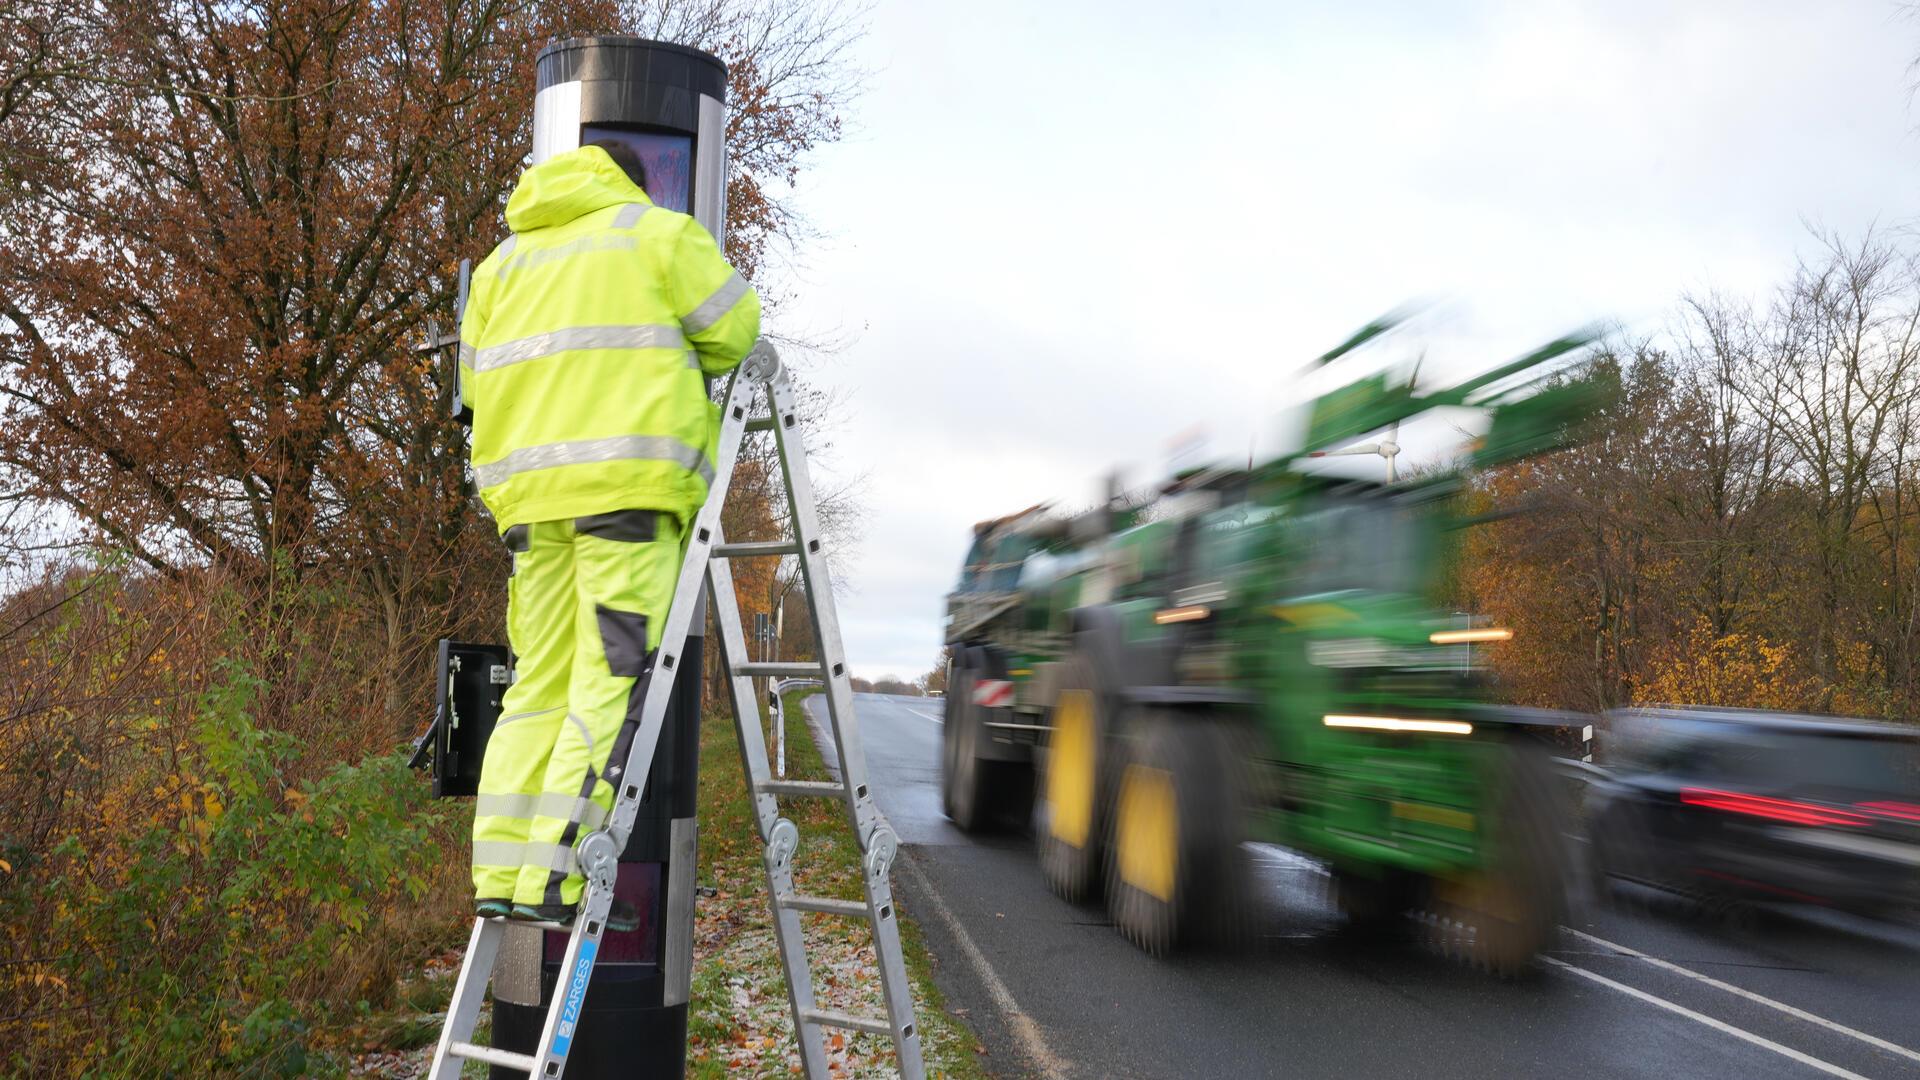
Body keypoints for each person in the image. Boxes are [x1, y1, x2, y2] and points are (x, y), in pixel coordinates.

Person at [457, 140, 760, 927]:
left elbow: (470, 387)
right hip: (627, 496)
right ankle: (558, 880)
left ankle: (504, 874)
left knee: (537, 684)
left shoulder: (498, 269)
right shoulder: (657, 235)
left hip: (528, 507)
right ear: (628, 179)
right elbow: (734, 332)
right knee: (607, 677)